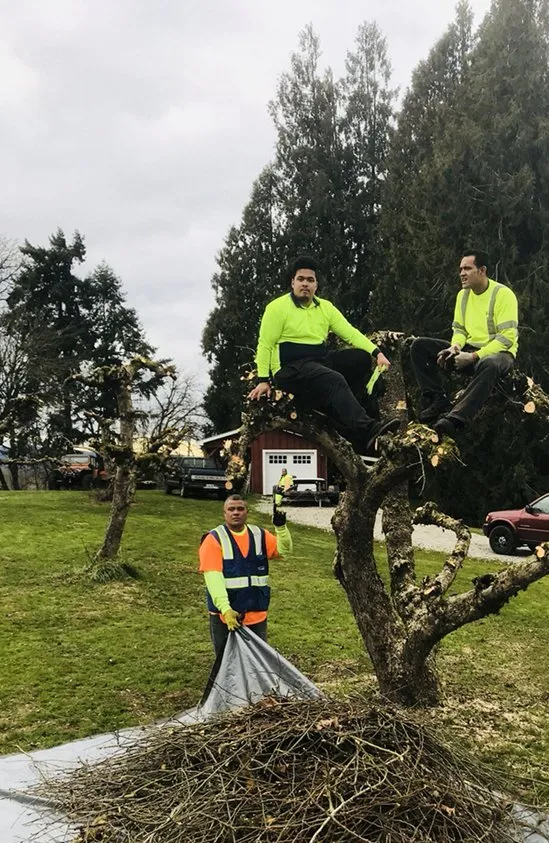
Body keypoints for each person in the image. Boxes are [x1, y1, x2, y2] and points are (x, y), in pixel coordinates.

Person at [248, 256, 398, 454]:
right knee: (333, 379)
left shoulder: (325, 307)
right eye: (301, 279)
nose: (305, 284)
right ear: (292, 282)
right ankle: (368, 429)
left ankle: (348, 420)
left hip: (318, 362)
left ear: (316, 285)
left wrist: (376, 352)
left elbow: (350, 332)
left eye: (310, 280)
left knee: (360, 360)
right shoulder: (276, 308)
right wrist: (263, 379)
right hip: (289, 368)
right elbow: (265, 344)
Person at [410, 250, 518, 440]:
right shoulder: (463, 296)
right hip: (468, 351)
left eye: (467, 268)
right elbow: (459, 330)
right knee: (419, 346)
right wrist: (455, 348)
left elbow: (506, 338)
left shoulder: (503, 295)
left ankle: (456, 419)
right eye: (460, 269)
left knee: (489, 363)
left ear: (482, 270)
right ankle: (437, 400)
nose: (462, 273)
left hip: (500, 355)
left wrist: (475, 356)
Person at [199, 494, 292, 677]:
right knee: (227, 664)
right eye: (231, 509)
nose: (236, 513)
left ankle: (257, 699)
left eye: (240, 509)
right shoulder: (213, 539)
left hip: (256, 614)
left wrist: (281, 528)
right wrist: (226, 609)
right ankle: (229, 701)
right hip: (225, 617)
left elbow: (284, 551)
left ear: (247, 512)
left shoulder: (259, 535)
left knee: (258, 663)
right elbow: (213, 578)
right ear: (224, 513)